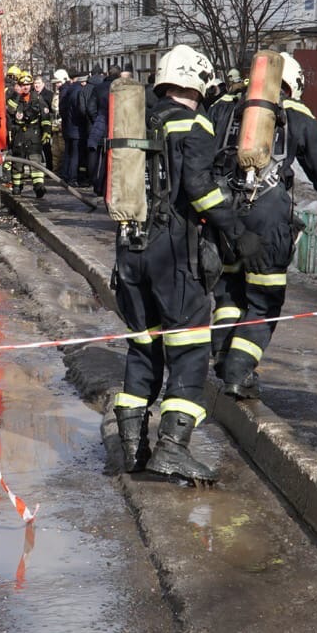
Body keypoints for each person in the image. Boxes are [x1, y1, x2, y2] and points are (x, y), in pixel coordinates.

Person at [110, 44, 259, 483]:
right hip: (172, 254)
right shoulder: (193, 122)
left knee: (143, 346)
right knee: (190, 349)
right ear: (198, 81)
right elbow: (199, 188)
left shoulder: (140, 119)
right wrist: (236, 231)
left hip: (129, 249)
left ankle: (133, 449)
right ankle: (172, 449)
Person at [207, 52, 317, 399]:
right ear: (293, 83)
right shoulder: (296, 112)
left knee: (228, 291)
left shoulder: (224, 106)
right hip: (268, 216)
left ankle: (224, 358)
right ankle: (238, 373)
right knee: (265, 300)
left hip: (222, 214)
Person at [5, 73, 48, 198]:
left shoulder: (37, 98)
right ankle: (17, 187)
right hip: (19, 133)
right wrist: (17, 95)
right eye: (23, 85)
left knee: (36, 161)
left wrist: (46, 131)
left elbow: (45, 116)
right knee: (18, 163)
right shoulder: (14, 98)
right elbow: (10, 111)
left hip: (34, 133)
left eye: (28, 85)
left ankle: (39, 187)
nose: (26, 87)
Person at [86, 66, 112, 195]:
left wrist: (98, 119)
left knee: (98, 155)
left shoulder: (99, 88)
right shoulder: (122, 89)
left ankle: (97, 185)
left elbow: (90, 108)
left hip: (100, 125)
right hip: (118, 126)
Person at [59, 71, 87, 185]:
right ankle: (73, 178)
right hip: (76, 127)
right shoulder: (79, 91)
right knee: (75, 154)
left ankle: (65, 174)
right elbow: (80, 110)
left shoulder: (67, 90)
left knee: (68, 152)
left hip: (68, 126)